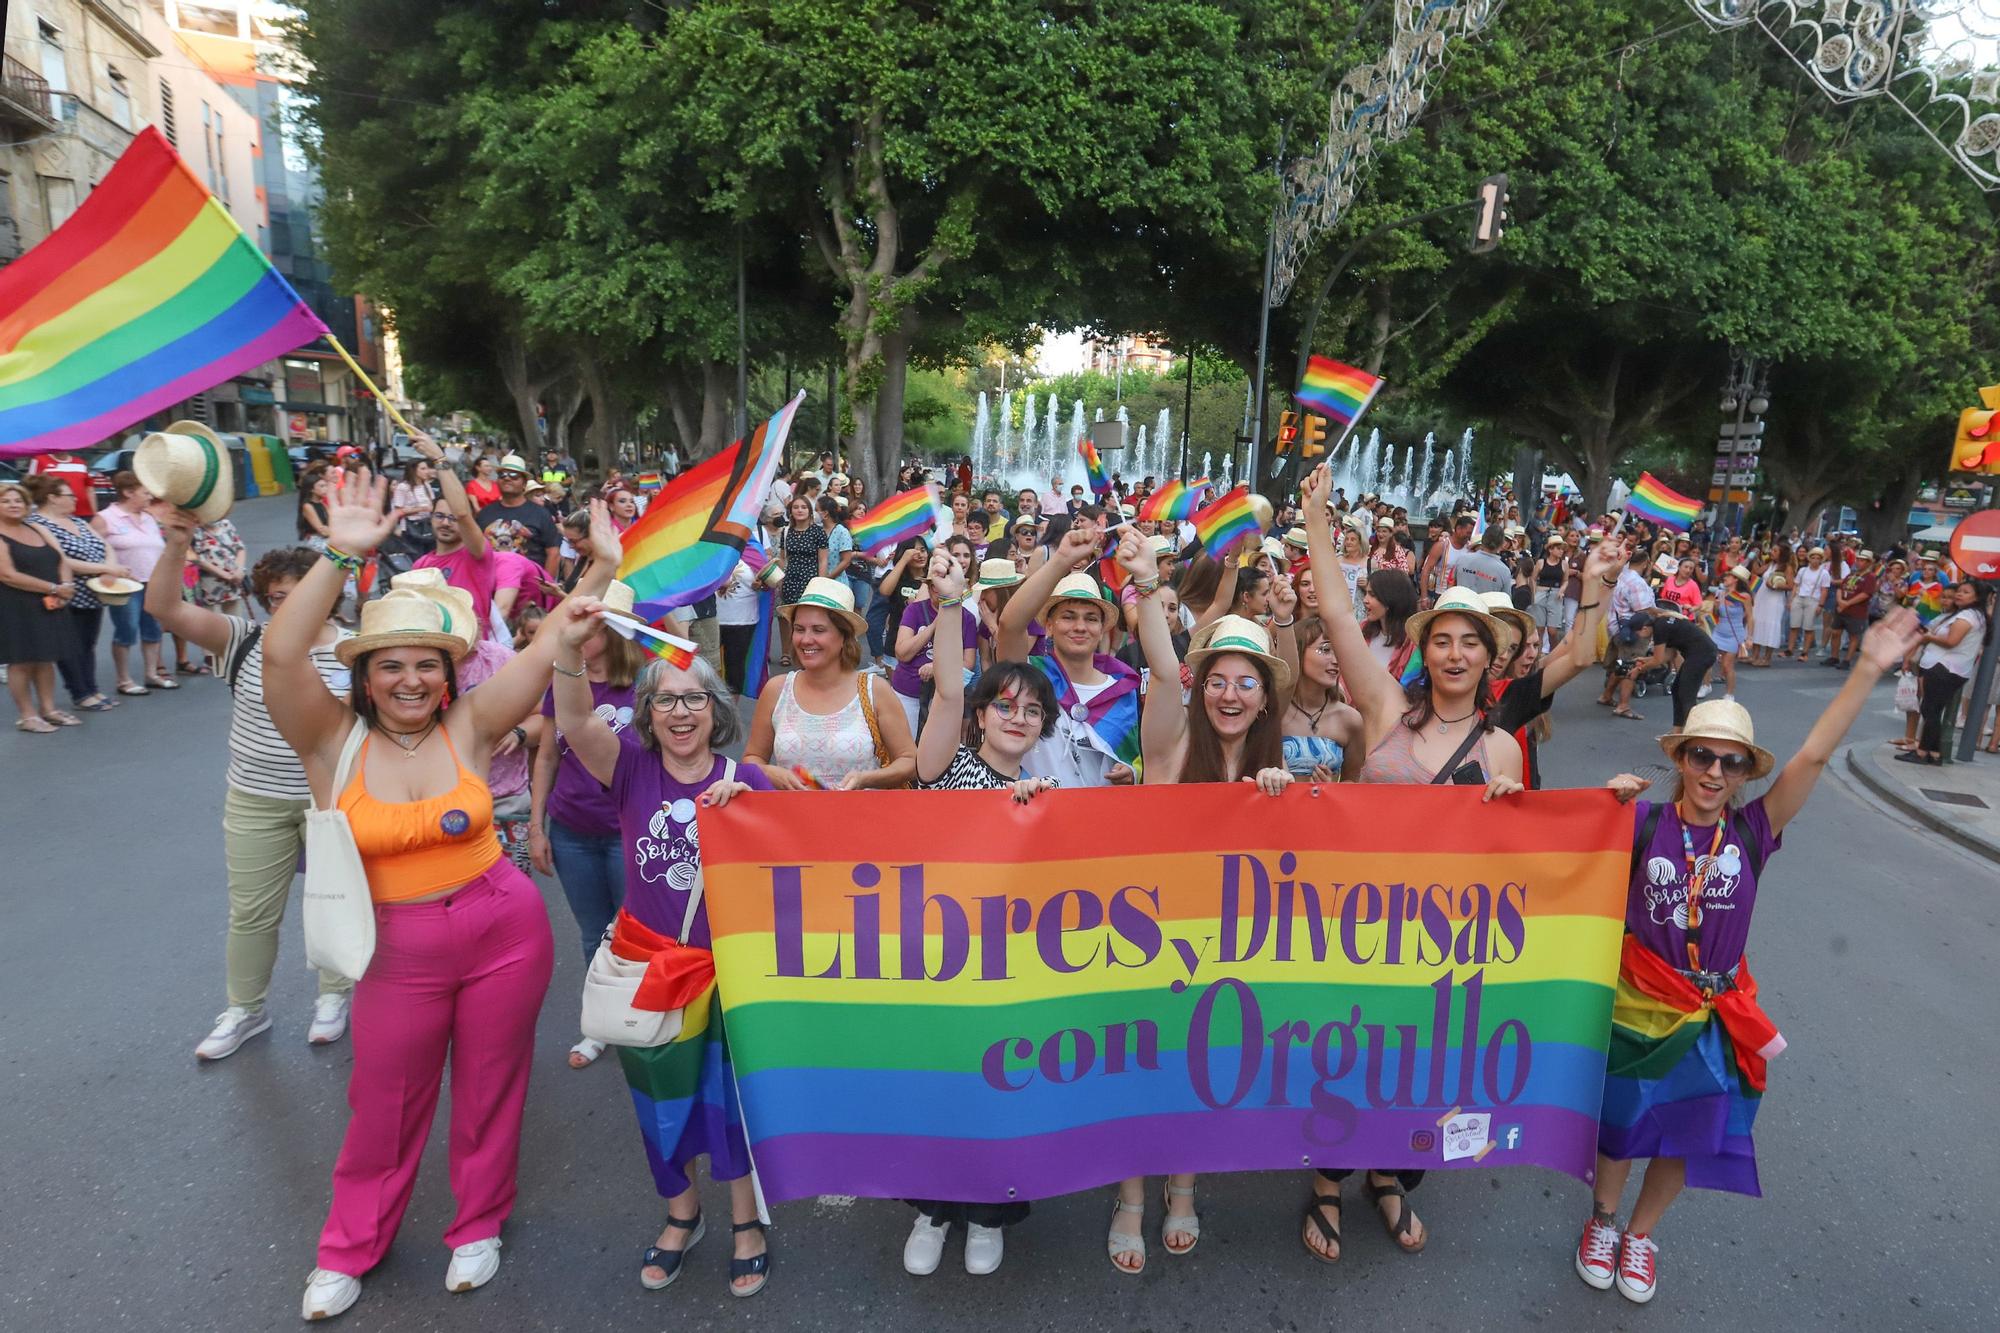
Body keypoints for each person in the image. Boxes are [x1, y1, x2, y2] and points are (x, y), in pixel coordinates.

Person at [273, 467, 589, 1321]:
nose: (410, 680)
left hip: (505, 927)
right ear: (364, 676)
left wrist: (599, 571)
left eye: (425, 665)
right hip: (396, 947)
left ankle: (477, 1223)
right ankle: (349, 1246)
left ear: (446, 675)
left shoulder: (471, 724)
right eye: (390, 667)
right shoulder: (326, 739)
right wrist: (341, 553)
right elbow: (277, 651)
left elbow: (547, 637)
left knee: (492, 1085)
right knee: (385, 1102)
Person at [1582, 612, 1922, 1304]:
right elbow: (1561, 856)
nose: (1713, 771)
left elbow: (1815, 758)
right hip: (1639, 999)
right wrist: (1600, 805)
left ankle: (1641, 1236)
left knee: (1687, 1126)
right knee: (1620, 1121)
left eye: (1729, 761)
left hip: (1716, 1008)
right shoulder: (1644, 821)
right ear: (1680, 757)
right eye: (1701, 755)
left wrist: (1866, 668)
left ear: (1743, 773)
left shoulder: (1752, 828)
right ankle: (1605, 1222)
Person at [1293, 463, 1524, 1264]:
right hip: (1354, 929)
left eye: (1471, 643)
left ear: (1489, 660)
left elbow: (1514, 863)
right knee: (1344, 1055)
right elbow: (1334, 611)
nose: (1456, 653)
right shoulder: (1387, 709)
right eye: (1443, 640)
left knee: (1420, 1068)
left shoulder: (1503, 748)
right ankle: (1326, 1183)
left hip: (1443, 944)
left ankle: (1390, 1175)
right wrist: (1318, 521)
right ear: (1424, 650)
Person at [548, 599, 775, 1295]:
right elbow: (577, 720)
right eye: (665, 701)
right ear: (647, 713)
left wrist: (757, 807)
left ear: (716, 708)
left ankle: (746, 1221)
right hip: (650, 972)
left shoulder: (749, 781)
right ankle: (682, 1214)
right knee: (660, 1103)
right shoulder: (631, 770)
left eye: (694, 699)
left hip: (730, 978)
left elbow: (801, 865)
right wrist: (570, 648)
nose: (680, 712)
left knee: (730, 1104)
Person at [1116, 530, 1296, 1272]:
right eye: (1217, 679)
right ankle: (1130, 1197)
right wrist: (1151, 581)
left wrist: (1285, 803)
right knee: (1138, 1068)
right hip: (1150, 939)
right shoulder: (1167, 748)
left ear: (1262, 699)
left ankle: (1182, 1187)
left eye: (1244, 682)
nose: (1228, 693)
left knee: (1199, 1068)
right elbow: (1164, 669)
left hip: (1231, 951)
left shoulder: (1273, 768)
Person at [897, 552, 1056, 1276]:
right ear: (983, 716)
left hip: (1015, 976)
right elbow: (949, 696)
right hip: (940, 962)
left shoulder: (1052, 795)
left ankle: (990, 1213)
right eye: (1005, 706)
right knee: (940, 1088)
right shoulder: (948, 769)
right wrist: (952, 603)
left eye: (1031, 710)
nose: (1017, 718)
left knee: (1001, 1092)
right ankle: (933, 1208)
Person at [147, 519, 358, 1057]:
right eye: (275, 597)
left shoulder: (358, 651)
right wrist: (176, 544)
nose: (284, 605)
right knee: (252, 913)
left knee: (331, 902)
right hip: (254, 798)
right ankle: (245, 1009)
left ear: (328, 593)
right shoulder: (243, 640)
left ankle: (334, 996)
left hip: (334, 800)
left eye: (298, 594)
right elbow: (165, 609)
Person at [528, 562, 648, 1069]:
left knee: (636, 930)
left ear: (609, 632)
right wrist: (537, 825)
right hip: (572, 830)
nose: (575, 633)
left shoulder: (644, 685)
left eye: (590, 625)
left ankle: (641, 1016)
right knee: (590, 931)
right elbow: (547, 755)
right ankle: (598, 1023)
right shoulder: (563, 682)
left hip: (628, 832)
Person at [997, 525, 1144, 788]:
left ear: (1102, 630)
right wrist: (1062, 559)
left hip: (1099, 821)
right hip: (1036, 816)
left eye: (1090, 619)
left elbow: (1136, 757)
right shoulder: (1029, 675)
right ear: (1049, 626)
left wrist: (1132, 773)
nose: (1079, 627)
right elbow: (1009, 625)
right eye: (1068, 616)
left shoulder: (1123, 688)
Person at [744, 577, 916, 791]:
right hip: (792, 821)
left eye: (818, 630)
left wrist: (867, 779)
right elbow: (752, 758)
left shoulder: (875, 690)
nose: (806, 640)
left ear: (844, 636)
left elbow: (908, 761)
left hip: (861, 820)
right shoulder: (777, 690)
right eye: (799, 629)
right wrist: (771, 772)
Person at [23, 474, 125, 713]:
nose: (75, 499)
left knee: (88, 643)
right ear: (52, 498)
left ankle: (92, 688)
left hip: (93, 592)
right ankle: (80, 692)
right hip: (66, 591)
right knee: (70, 645)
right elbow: (62, 559)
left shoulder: (78, 521)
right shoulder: (39, 524)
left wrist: (111, 566)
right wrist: (107, 568)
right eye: (70, 495)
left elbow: (105, 544)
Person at [0, 479, 79, 732]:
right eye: (5, 501)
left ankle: (49, 709)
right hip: (15, 606)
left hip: (49, 602)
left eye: (18, 500)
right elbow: (8, 575)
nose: (14, 505)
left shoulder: (37, 528)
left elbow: (61, 559)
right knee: (21, 661)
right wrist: (54, 589)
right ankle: (27, 715)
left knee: (46, 658)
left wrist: (66, 586)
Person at [93, 472, 174, 694]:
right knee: (126, 629)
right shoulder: (105, 518)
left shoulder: (149, 517)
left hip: (154, 582)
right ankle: (124, 679)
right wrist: (105, 571)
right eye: (145, 492)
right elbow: (92, 550)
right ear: (128, 493)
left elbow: (158, 547)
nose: (150, 497)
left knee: (153, 629)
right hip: (125, 585)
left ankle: (151, 674)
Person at [891, 541, 979, 734]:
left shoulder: (967, 619)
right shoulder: (914, 610)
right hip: (908, 692)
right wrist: (934, 625)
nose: (938, 591)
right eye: (933, 586)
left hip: (944, 697)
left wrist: (937, 668)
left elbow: (969, 663)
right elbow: (902, 653)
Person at [1897, 581, 1985, 766]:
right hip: (1946, 667)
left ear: (1976, 598)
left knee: (1931, 709)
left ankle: (1922, 753)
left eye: (1966, 592)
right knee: (1932, 710)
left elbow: (1952, 641)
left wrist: (1928, 637)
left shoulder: (1968, 616)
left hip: (1945, 668)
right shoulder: (1966, 615)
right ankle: (1935, 753)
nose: (1959, 595)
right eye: (1959, 591)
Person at [1609, 607, 1718, 728]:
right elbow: (1670, 654)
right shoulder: (1661, 623)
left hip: (1701, 653)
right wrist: (1645, 660)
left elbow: (1658, 660)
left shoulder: (1660, 628)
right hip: (1700, 652)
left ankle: (1693, 730)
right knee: (1677, 689)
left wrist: (1638, 670)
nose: (1639, 637)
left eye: (1637, 633)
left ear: (1645, 628)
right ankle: (1677, 730)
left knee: (1686, 694)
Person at [475, 454, 562, 577]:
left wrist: (546, 589)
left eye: (514, 476)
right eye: (502, 475)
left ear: (524, 484)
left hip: (529, 587)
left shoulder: (541, 514)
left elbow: (553, 553)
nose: (507, 478)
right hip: (490, 585)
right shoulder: (485, 513)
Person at [774, 495, 828, 667]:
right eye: (796, 507)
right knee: (787, 617)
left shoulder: (817, 532)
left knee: (806, 618)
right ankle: (786, 652)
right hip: (790, 579)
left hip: (810, 580)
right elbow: (782, 557)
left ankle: (804, 652)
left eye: (803, 507)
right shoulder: (786, 531)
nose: (799, 510)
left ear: (809, 511)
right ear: (791, 511)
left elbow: (823, 559)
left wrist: (820, 582)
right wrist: (781, 577)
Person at [1746, 543, 1791, 666]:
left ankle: (1767, 658)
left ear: (1782, 554)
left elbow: (1791, 585)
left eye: (1775, 551)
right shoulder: (1770, 564)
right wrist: (1755, 558)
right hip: (1762, 597)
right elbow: (1757, 571)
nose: (1772, 552)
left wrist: (1776, 586)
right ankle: (1754, 655)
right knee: (1758, 622)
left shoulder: (1786, 567)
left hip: (1775, 600)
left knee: (1771, 625)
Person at [1785, 547, 1831, 660]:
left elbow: (1824, 590)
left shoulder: (1824, 573)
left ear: (1821, 560)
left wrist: (1821, 605)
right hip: (1799, 598)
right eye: (1813, 557)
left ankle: (1804, 653)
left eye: (1818, 558)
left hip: (1813, 600)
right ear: (1809, 559)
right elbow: (1796, 585)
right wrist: (1791, 600)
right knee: (1794, 625)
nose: (1815, 560)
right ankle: (1789, 650)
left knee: (1808, 627)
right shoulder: (1803, 570)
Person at [1451, 524, 1513, 597]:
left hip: (1460, 606)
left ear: (1483, 539)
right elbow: (1505, 601)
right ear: (1501, 544)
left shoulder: (1462, 559)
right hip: (1485, 608)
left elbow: (1452, 585)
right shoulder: (1504, 571)